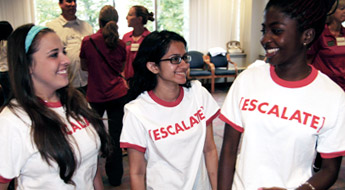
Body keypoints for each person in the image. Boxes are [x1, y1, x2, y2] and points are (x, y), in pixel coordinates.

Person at [218, 0, 345, 189]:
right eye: (264, 30)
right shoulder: (247, 80)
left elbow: (329, 170)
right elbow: (228, 149)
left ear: (307, 35)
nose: (264, 39)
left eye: (276, 31)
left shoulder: (333, 97)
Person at [0, 24, 110, 190]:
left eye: (63, 51)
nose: (65, 60)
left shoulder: (77, 102)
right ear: (28, 65)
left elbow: (91, 170)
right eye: (54, 55)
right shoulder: (13, 121)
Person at [120, 30, 219, 189]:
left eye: (185, 58)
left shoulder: (198, 94)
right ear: (153, 66)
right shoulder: (137, 111)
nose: (185, 65)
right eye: (175, 59)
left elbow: (210, 150)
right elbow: (137, 172)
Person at [80, 5, 127, 187]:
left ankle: (93, 176)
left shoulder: (88, 41)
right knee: (115, 136)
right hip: (117, 93)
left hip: (95, 94)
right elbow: (121, 68)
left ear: (99, 21)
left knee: (94, 136)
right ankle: (115, 178)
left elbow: (84, 66)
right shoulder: (121, 44)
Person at [46, 0, 93, 94]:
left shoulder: (87, 27)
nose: (72, 4)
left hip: (88, 83)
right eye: (68, 1)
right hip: (64, 84)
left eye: (74, 1)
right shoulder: (51, 28)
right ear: (60, 4)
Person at [307, 0, 345, 91]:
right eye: (342, 9)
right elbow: (308, 61)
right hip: (323, 85)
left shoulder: (344, 33)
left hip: (342, 85)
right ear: (331, 11)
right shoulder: (320, 33)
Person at [122, 5, 154, 79]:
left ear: (139, 19)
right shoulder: (125, 37)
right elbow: (122, 60)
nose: (126, 17)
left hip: (145, 81)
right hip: (127, 81)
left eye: (130, 15)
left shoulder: (150, 38)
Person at [0, 21, 13, 105]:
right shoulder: (9, 44)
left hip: (1, 72)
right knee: (12, 96)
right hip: (8, 71)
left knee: (6, 95)